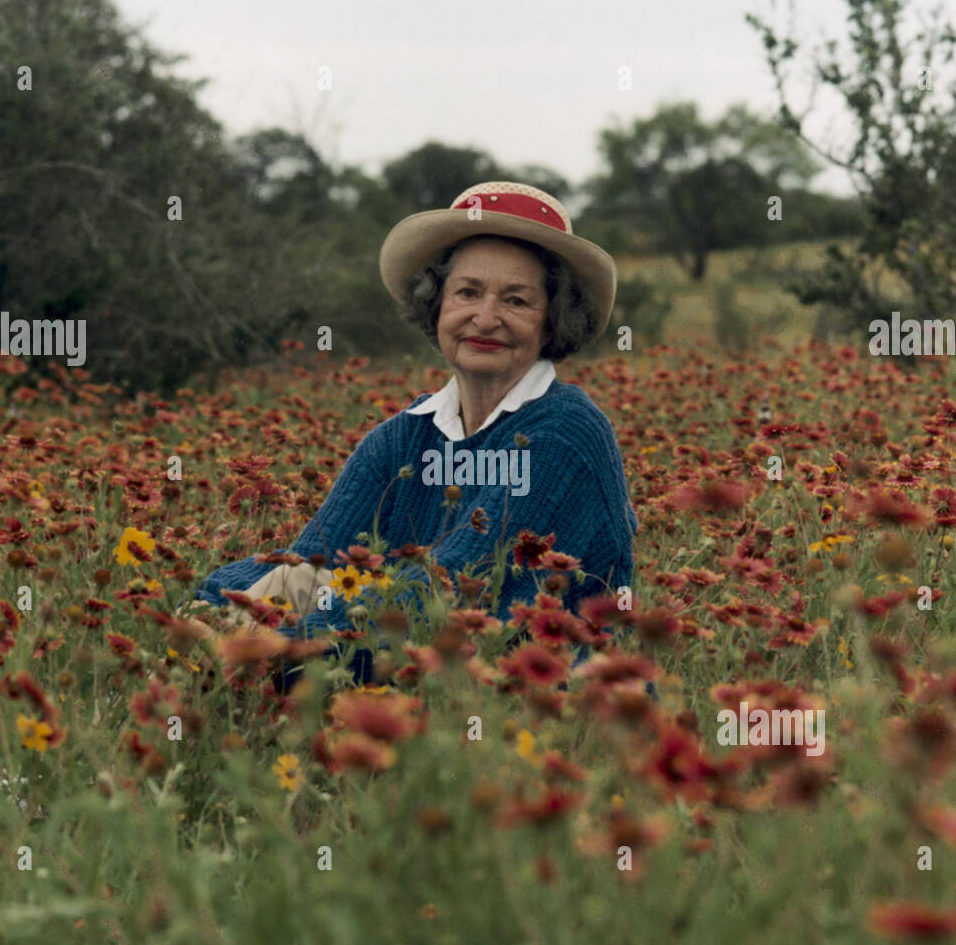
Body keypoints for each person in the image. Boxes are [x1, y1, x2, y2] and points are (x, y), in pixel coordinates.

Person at [190, 180, 638, 636]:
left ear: (552, 321)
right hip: (393, 665)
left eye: (516, 300)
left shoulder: (564, 433)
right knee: (289, 584)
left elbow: (458, 590)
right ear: (436, 302)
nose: (485, 319)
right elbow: (310, 560)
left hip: (539, 691)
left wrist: (281, 645)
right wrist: (209, 608)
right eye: (467, 292)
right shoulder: (403, 438)